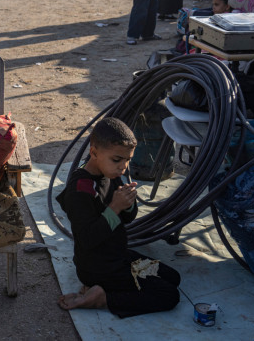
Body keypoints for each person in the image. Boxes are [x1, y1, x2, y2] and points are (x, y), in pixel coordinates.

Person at [57, 118, 181, 318]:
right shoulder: (81, 189)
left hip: (117, 255)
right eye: (117, 160)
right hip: (97, 266)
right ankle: (103, 298)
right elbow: (87, 239)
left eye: (128, 160)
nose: (123, 166)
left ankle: (103, 289)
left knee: (173, 278)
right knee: (169, 295)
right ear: (94, 152)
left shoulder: (112, 174)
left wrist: (128, 202)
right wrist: (114, 207)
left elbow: (128, 218)